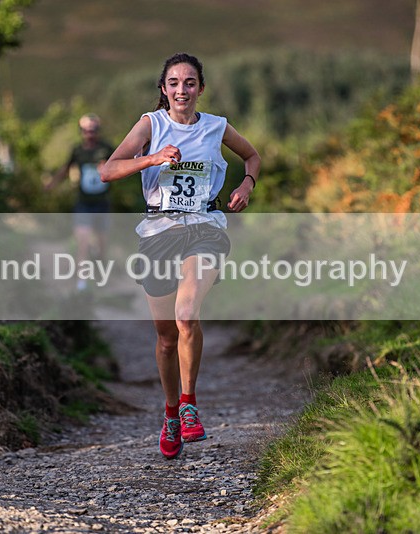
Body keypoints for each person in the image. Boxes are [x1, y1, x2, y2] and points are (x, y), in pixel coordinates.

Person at [100, 53, 260, 459]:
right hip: (158, 233)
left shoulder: (216, 126)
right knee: (166, 338)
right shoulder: (150, 125)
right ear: (164, 89)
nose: (182, 90)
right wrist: (152, 158)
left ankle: (189, 404)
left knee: (186, 315)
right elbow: (107, 170)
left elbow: (253, 156)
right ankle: (171, 413)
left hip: (205, 228)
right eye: (174, 83)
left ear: (200, 88)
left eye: (190, 82)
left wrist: (246, 184)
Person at [46, 114, 114, 292]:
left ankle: (101, 276)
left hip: (102, 203)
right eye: (86, 130)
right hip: (83, 203)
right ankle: (81, 284)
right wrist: (52, 183)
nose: (90, 133)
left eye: (93, 130)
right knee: (82, 242)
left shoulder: (106, 148)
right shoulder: (77, 150)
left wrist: (109, 168)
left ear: (98, 130)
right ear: (81, 131)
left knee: (101, 245)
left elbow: (121, 164)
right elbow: (66, 169)